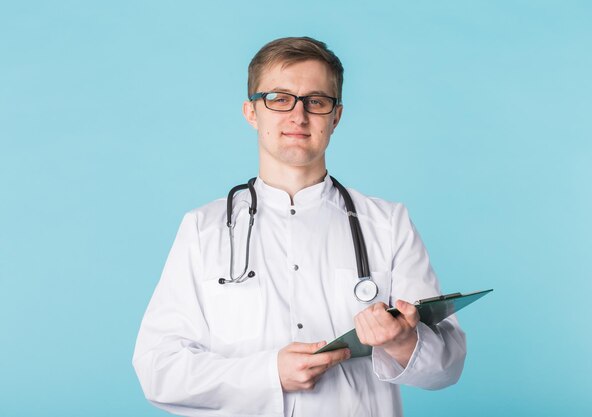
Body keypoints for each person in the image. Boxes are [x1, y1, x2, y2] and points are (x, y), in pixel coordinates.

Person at [132, 36, 466, 417]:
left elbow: (448, 368)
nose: (298, 115)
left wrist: (403, 342)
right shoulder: (202, 229)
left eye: (316, 101)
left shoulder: (388, 224)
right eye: (278, 98)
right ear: (251, 112)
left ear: (336, 116)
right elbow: (158, 371)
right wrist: (267, 373)